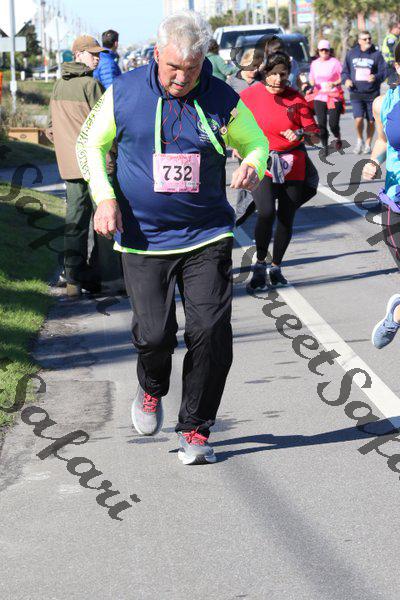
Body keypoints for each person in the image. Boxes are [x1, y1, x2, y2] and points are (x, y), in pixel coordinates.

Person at [76, 10, 268, 465]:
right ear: (156, 53)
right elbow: (90, 144)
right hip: (143, 238)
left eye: (192, 68)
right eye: (173, 67)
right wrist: (104, 198)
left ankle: (196, 428)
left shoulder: (221, 97)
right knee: (155, 336)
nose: (182, 78)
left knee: (210, 331)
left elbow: (257, 141)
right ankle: (151, 386)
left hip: (206, 233)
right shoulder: (124, 92)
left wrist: (252, 164)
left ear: (204, 60)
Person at [239, 51, 320, 290]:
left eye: (282, 74)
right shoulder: (250, 95)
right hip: (262, 162)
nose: (277, 79)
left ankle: (276, 266)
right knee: (265, 212)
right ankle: (260, 263)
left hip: (292, 164)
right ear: (264, 73)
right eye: (273, 74)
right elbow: (233, 121)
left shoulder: (296, 99)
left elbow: (315, 136)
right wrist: (237, 145)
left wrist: (300, 134)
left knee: (286, 216)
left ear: (288, 75)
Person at [47, 35, 118, 297]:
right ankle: (109, 279)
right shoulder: (92, 85)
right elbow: (108, 124)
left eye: (98, 54)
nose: (97, 58)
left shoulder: (57, 86)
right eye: (92, 54)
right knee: (105, 220)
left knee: (75, 221)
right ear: (78, 54)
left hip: (71, 166)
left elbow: (50, 129)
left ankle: (73, 279)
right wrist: (114, 154)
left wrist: (68, 149)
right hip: (97, 164)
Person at [362, 43, 400, 349]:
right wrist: (374, 161)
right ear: (397, 67)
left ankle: (396, 315)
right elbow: (383, 140)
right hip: (396, 200)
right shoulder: (384, 103)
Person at [342, 31, 387, 154]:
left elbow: (384, 72)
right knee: (358, 119)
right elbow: (345, 71)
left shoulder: (376, 54)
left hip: (372, 93)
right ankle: (359, 140)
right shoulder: (351, 54)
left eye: (369, 38)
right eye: (365, 39)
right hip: (356, 92)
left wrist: (376, 77)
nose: (368, 41)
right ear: (359, 41)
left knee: (371, 121)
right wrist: (346, 80)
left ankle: (368, 143)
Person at [308, 39, 343, 156]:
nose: (324, 52)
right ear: (318, 51)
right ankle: (325, 147)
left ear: (329, 51)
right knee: (321, 124)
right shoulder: (314, 63)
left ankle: (337, 136)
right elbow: (311, 77)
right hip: (319, 96)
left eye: (326, 50)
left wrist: (334, 83)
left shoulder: (335, 62)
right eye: (321, 50)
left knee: (333, 124)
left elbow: (342, 77)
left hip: (333, 96)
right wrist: (311, 83)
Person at [382, 20, 400, 86]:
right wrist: (394, 61)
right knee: (394, 82)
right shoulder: (391, 38)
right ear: (393, 29)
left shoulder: (395, 38)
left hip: (393, 63)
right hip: (391, 63)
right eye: (399, 28)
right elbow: (392, 50)